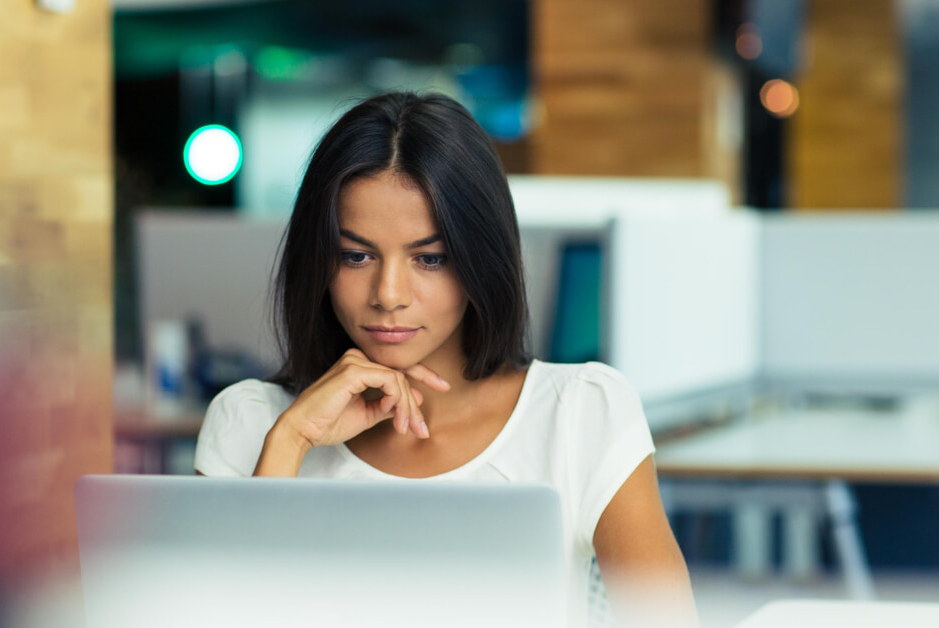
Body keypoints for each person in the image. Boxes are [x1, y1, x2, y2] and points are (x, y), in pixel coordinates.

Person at [193, 92, 698, 628]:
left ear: (480, 258)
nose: (388, 294)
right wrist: (289, 443)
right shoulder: (250, 422)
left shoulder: (580, 413)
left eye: (429, 258)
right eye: (355, 255)